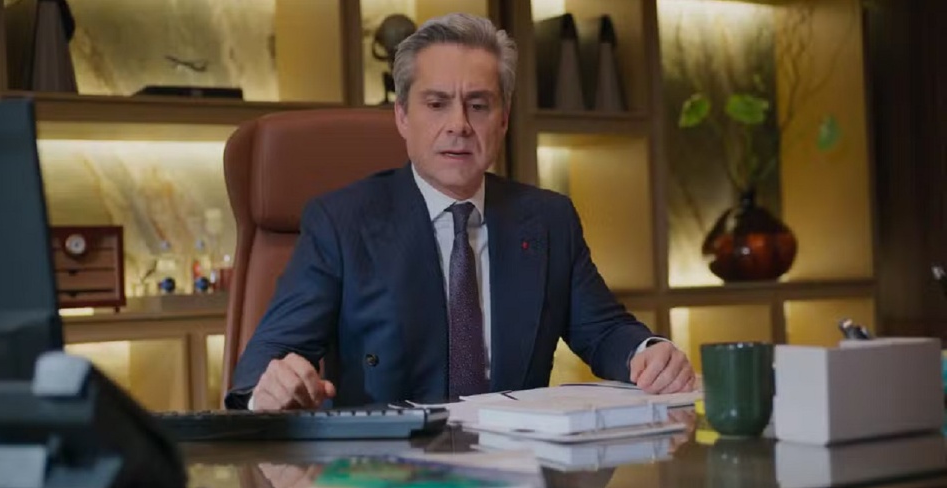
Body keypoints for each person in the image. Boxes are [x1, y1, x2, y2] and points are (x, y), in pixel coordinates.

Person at [226, 13, 694, 411]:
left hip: (516, 464)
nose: (459, 125)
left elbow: (605, 330)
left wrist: (649, 352)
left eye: (478, 105)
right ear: (402, 116)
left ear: (503, 119)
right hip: (388, 468)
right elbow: (268, 357)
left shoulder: (549, 219)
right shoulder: (341, 222)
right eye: (437, 104)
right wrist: (272, 386)